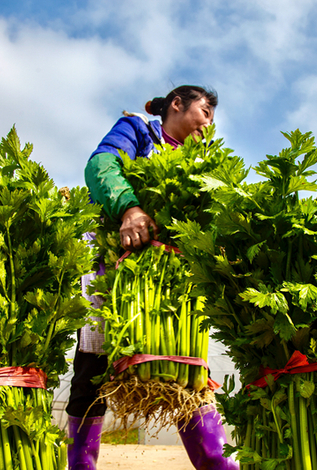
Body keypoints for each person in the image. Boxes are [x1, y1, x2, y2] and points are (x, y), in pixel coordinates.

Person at [66, 85, 238, 470]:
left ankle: (220, 464)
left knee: (188, 371)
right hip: (117, 274)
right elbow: (102, 166)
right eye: (206, 112)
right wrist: (130, 208)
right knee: (92, 365)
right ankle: (81, 464)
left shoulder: (203, 164)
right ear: (177, 105)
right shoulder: (138, 131)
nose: (209, 124)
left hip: (175, 286)